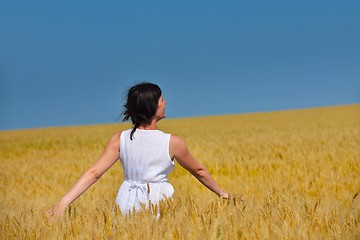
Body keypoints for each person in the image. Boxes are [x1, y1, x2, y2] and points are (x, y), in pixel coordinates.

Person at [48, 82, 229, 217]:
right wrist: (222, 193)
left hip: (126, 202)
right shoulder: (172, 142)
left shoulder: (120, 139)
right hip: (159, 203)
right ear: (152, 106)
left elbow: (94, 173)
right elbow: (198, 170)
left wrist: (62, 204)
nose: (165, 102)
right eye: (161, 99)